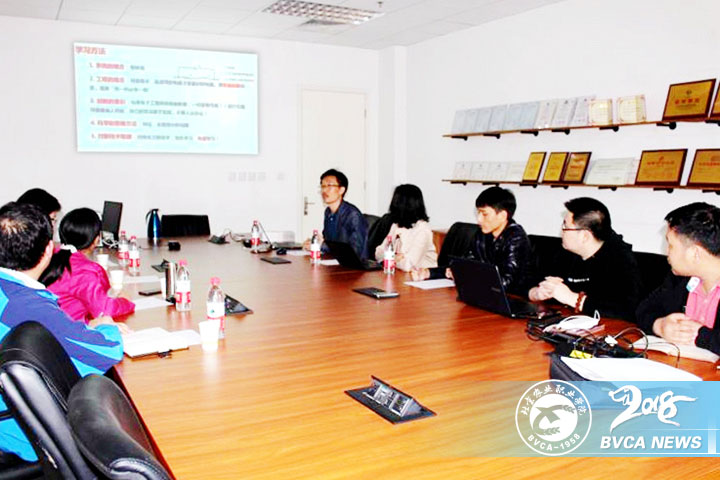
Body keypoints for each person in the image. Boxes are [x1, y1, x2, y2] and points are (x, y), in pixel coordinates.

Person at [0, 202, 127, 462]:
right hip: (24, 433)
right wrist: (105, 325)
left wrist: (80, 329)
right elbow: (105, 352)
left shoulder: (9, 293)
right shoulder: (26, 305)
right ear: (50, 249)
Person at [528, 197, 641, 320]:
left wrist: (571, 298)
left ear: (584, 236)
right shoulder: (567, 251)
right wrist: (537, 293)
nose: (562, 232)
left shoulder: (620, 259)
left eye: (565, 227)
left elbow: (626, 309)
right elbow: (529, 280)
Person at [411, 186, 532, 295]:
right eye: (478, 213)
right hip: (485, 295)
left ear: (502, 216)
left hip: (512, 300)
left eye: (484, 214)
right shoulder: (483, 234)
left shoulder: (516, 238)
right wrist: (429, 273)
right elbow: (465, 265)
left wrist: (465, 276)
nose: (479, 219)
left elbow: (507, 283)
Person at [636, 203, 720, 354]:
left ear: (694, 253)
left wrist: (700, 336)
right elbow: (643, 310)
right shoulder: (680, 278)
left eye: (671, 245)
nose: (667, 252)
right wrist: (660, 326)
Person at [41, 208, 135, 323]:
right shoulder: (83, 270)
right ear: (96, 239)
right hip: (68, 328)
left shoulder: (50, 257)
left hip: (46, 324)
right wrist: (125, 301)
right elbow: (104, 310)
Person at [304, 169, 368, 259]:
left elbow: (354, 252)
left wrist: (322, 245)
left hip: (353, 266)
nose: (324, 190)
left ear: (341, 190)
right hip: (334, 262)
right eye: (322, 186)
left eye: (329, 186)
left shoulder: (353, 215)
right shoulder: (328, 212)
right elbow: (328, 242)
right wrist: (315, 243)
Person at [374, 184, 437, 272]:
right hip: (399, 273)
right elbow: (378, 253)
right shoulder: (396, 225)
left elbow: (408, 265)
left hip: (421, 276)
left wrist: (390, 258)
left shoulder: (423, 230)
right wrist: (397, 257)